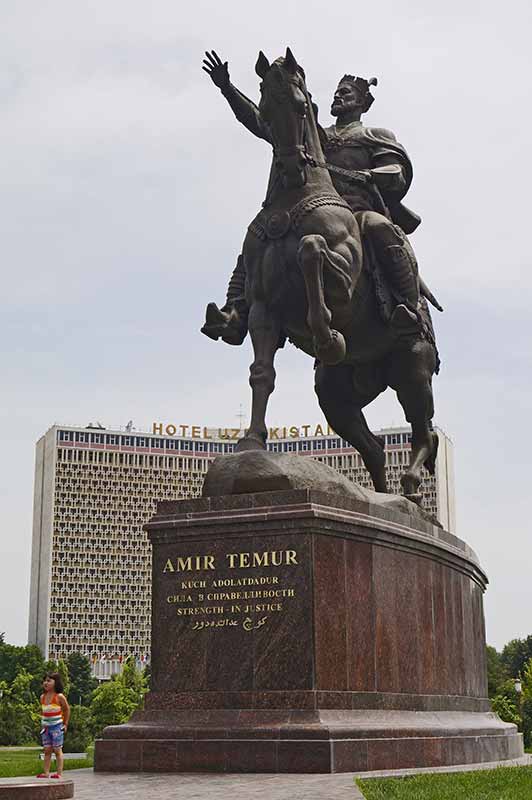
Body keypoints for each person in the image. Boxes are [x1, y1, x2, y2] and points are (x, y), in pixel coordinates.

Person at [201, 50, 441, 345]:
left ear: (363, 102)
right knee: (262, 235)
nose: (338, 96)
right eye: (337, 92)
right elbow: (262, 122)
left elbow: (397, 170)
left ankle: (406, 307)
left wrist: (373, 175)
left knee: (379, 226)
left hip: (356, 211)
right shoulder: (314, 134)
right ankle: (236, 311)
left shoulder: (374, 135)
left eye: (346, 93)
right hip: (312, 208)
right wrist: (227, 88)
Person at [36, 672, 70, 779]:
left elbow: (66, 709)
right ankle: (46, 772)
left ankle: (59, 773)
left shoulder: (59, 697)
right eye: (44, 681)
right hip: (46, 728)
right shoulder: (42, 697)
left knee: (57, 749)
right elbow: (43, 712)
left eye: (49, 681)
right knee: (47, 750)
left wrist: (65, 723)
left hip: (56, 727)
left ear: (56, 683)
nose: (46, 683)